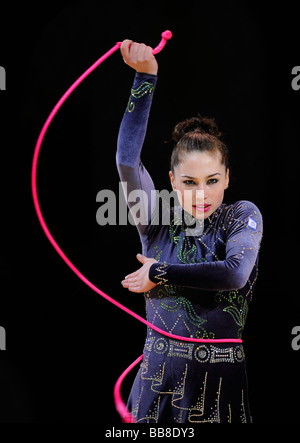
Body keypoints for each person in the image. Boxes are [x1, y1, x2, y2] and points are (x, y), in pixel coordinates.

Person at [116, 39, 263, 423]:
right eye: (189, 181)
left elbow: (234, 273)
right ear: (171, 180)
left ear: (228, 177)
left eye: (212, 180)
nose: (202, 193)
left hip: (221, 388)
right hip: (158, 383)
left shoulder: (240, 216)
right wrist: (144, 78)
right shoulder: (156, 219)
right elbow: (126, 161)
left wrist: (158, 272)